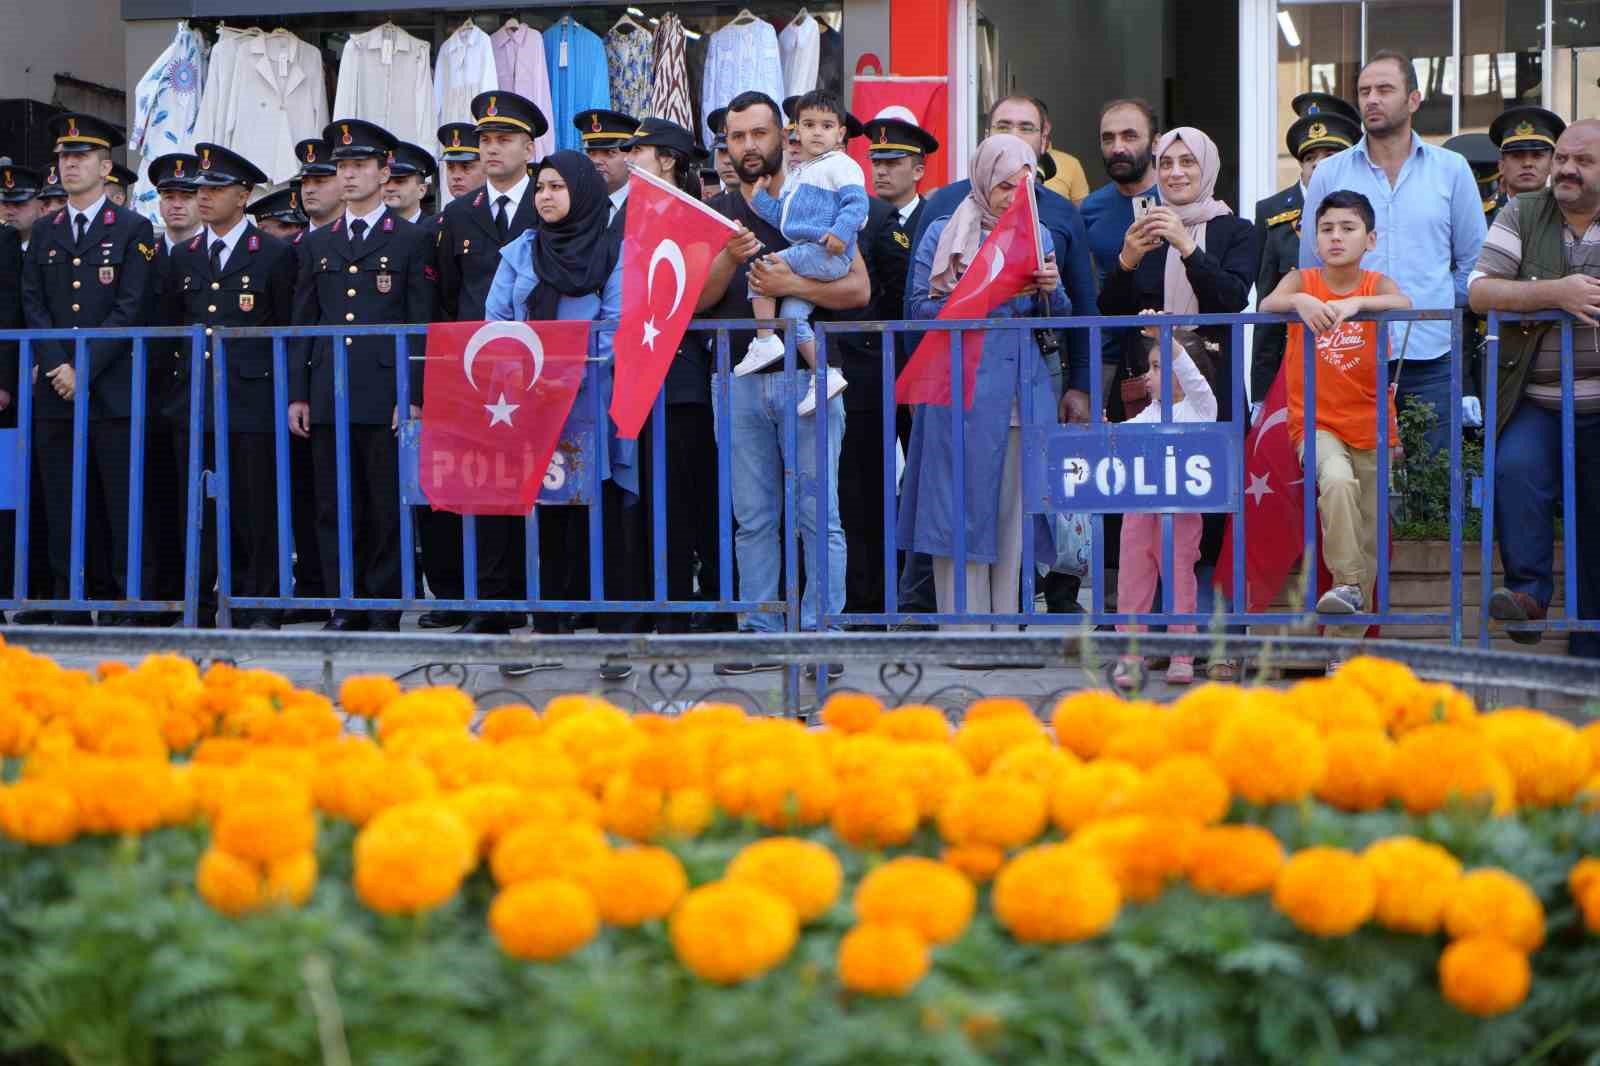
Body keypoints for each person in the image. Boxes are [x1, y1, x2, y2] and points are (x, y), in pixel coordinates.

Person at [696, 90, 868, 676]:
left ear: (784, 138)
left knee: (820, 516)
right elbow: (694, 302)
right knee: (754, 518)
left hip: (808, 380)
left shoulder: (813, 196)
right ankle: (761, 635)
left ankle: (823, 636)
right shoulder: (712, 209)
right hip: (737, 383)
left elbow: (858, 290)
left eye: (759, 134)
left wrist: (784, 279)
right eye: (736, 136)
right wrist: (727, 258)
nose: (748, 146)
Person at [1100, 125, 1258, 678]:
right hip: (1145, 393)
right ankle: (1140, 644)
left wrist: (1188, 246)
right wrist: (1124, 260)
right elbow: (1110, 310)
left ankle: (1201, 642)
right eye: (1166, 163)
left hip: (1207, 394)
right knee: (1138, 526)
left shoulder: (1235, 230)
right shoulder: (1141, 228)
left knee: (1202, 525)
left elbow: (1233, 298)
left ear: (1207, 167)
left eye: (1187, 162)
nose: (1175, 173)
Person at [484, 150, 642, 678]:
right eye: (540, 188)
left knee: (608, 510)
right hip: (535, 402)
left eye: (556, 187)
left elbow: (619, 326)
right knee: (551, 511)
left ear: (582, 191)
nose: (546, 196)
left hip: (596, 399)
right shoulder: (521, 252)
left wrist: (566, 363)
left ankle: (616, 635)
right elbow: (498, 320)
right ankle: (552, 627)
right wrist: (533, 371)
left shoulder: (616, 251)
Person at [900, 134, 1065, 632]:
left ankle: (1009, 625)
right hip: (957, 388)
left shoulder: (1039, 235)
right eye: (1006, 186)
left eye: (1025, 186)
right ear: (983, 181)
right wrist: (986, 292)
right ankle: (964, 628)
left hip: (1019, 391)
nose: (1016, 197)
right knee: (956, 506)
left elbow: (1057, 318)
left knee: (1013, 512)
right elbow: (916, 312)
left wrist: (1051, 293)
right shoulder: (942, 233)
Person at [1300, 50, 1487, 461]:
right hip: (1349, 353)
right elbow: (1311, 267)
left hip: (1432, 353)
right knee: (1358, 484)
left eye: (1385, 89)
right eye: (1364, 91)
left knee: (1433, 487)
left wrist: (1433, 305)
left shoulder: (1451, 169)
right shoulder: (1331, 172)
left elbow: (1474, 264)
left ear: (1414, 99)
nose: (1372, 99)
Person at [288, 118, 434, 632]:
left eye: (359, 166)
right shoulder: (317, 244)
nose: (348, 176)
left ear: (383, 170)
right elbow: (305, 322)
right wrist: (298, 393)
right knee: (333, 502)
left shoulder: (413, 239)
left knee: (385, 500)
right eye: (342, 166)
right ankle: (343, 600)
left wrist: (412, 394)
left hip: (384, 388)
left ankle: (386, 602)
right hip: (330, 387)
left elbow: (421, 324)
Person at [20, 112, 161, 623]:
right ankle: (71, 596)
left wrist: (84, 367)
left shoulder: (132, 227)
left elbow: (131, 306)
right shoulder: (46, 230)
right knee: (62, 496)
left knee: (121, 497)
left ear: (106, 168)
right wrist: (57, 364)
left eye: (81, 158)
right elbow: (32, 302)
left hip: (112, 385)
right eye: (64, 158)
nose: (69, 166)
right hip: (57, 388)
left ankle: (130, 600)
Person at [1468, 118, 1600, 659]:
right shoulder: (1522, 211)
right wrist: (1556, 292)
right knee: (1514, 468)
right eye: (1562, 158)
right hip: (1537, 399)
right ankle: (1527, 600)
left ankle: (1589, 647)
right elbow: (1479, 291)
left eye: (1582, 162)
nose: (1565, 169)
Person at [429, 90, 552, 649]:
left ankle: (555, 598)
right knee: (486, 488)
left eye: (504, 139)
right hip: (479, 373)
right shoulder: (459, 215)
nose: (492, 149)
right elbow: (452, 299)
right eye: (485, 140)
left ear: (530, 147)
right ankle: (492, 599)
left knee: (553, 483)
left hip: (545, 366)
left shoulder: (551, 202)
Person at [1260, 190, 1410, 637]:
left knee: (1369, 539)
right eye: (1326, 229)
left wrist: (1356, 305)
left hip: (1372, 425)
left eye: (1348, 228)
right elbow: (1268, 304)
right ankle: (1345, 583)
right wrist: (1301, 303)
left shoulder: (1374, 283)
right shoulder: (1301, 280)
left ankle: (1341, 656)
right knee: (1337, 481)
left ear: (1370, 238)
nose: (1336, 237)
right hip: (1315, 422)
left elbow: (1402, 302)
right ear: (1313, 237)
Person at [162, 143, 298, 630]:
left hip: (252, 396)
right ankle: (199, 599)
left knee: (255, 503)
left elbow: (287, 325)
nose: (204, 197)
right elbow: (174, 324)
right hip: (194, 396)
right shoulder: (184, 255)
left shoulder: (273, 254)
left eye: (216, 189)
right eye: (201, 189)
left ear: (243, 196)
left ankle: (259, 601)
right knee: (192, 505)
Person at [623, 116, 727, 635]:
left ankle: (701, 603)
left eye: (638, 151)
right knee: (645, 498)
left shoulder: (695, 215)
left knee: (691, 496)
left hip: (681, 375)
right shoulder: (621, 214)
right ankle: (656, 600)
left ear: (666, 158)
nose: (628, 159)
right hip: (636, 374)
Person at [842, 110, 937, 621]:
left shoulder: (938, 218)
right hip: (868, 373)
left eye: (894, 162)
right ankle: (872, 596)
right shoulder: (857, 215)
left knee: (923, 485)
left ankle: (920, 597)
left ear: (918, 169)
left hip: (921, 372)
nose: (881, 171)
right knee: (865, 487)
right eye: (875, 161)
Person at [738, 89, 866, 415]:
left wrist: (839, 232)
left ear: (841, 133)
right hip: (810, 252)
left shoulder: (841, 164)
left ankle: (765, 340)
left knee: (763, 269)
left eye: (826, 125)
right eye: (808, 125)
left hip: (825, 252)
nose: (816, 132)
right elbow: (784, 216)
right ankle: (825, 374)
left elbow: (857, 202)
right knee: (793, 317)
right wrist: (760, 200)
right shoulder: (801, 172)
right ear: (795, 131)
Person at [1112, 330, 1217, 687]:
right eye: (1149, 367)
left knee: (1179, 582)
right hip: (1140, 510)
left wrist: (1170, 341)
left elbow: (1193, 379)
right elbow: (1121, 437)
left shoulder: (1200, 407)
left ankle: (1182, 654)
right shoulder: (1149, 413)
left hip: (1182, 512)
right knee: (1132, 583)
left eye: (1157, 367)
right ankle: (1130, 655)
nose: (1148, 375)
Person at [1252, 92, 1361, 404]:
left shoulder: (1365, 212)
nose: (1318, 165)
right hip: (1292, 360)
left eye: (1329, 156)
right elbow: (1266, 298)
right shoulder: (1271, 212)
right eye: (1311, 157)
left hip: (1352, 354)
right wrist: (1261, 390)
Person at [1082, 98, 1161, 284]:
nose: (1117, 148)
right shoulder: (1090, 207)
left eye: (1129, 136)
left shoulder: (1181, 201)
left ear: (1156, 143)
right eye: (1108, 139)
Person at [575, 108, 637, 228]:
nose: (596, 161)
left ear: (630, 156)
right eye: (591, 152)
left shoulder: (644, 207)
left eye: (609, 152)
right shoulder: (578, 204)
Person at [1490, 106, 1564, 197]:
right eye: (1517, 156)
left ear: (1552, 164)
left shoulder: (1566, 210)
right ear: (1501, 167)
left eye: (1537, 155)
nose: (1527, 163)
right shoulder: (1481, 211)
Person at [1037, 99, 1089, 206]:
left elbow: (1081, 213)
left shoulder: (1071, 164)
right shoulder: (1003, 162)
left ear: (1046, 127)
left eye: (1027, 126)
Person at [294, 139, 342, 230]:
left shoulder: (358, 239)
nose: (309, 190)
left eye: (320, 181)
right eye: (304, 182)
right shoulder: (290, 243)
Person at [382, 141, 435, 223]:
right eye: (385, 181)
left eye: (399, 182)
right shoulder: (367, 230)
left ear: (421, 190)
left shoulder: (434, 232)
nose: (390, 188)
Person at [437, 121, 486, 200]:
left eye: (466, 167)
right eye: (450, 167)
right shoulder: (447, 212)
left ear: (487, 169)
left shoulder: (499, 211)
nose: (456, 176)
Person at [706, 107, 738, 191]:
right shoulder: (709, 204)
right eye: (722, 151)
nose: (727, 161)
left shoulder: (772, 203)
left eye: (735, 151)